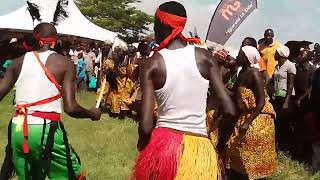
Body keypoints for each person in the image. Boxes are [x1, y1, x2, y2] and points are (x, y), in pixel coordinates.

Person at [132, 2, 235, 179]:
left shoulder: (151, 63)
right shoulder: (205, 57)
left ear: (162, 25)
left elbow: (146, 125)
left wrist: (143, 145)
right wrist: (218, 147)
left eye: (155, 23)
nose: (154, 28)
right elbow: (230, 111)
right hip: (200, 151)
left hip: (164, 147)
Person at [0, 23, 101, 180]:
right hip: (46, 129)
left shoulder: (17, 62)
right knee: (72, 176)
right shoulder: (64, 63)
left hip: (17, 129)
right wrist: (92, 113)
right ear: (54, 42)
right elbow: (71, 108)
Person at [226, 46, 276, 179]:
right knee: (235, 148)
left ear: (247, 58)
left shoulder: (254, 74)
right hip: (247, 114)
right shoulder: (242, 73)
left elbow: (261, 102)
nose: (237, 57)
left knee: (250, 147)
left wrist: (248, 123)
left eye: (240, 55)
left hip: (258, 116)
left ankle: (254, 174)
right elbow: (233, 92)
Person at [292, 49, 316, 162]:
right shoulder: (296, 67)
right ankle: (297, 150)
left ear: (309, 57)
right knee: (297, 126)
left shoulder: (312, 70)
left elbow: (311, 87)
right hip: (295, 99)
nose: (300, 55)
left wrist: (301, 98)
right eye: (300, 54)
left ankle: (306, 152)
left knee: (305, 126)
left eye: (303, 54)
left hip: (306, 102)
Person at [271, 45, 296, 151]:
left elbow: (290, 84)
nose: (274, 55)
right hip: (277, 97)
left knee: (283, 122)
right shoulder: (277, 66)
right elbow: (273, 80)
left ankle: (283, 147)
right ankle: (275, 144)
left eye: (276, 53)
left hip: (286, 98)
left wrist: (287, 101)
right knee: (276, 121)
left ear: (281, 54)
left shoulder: (290, 66)